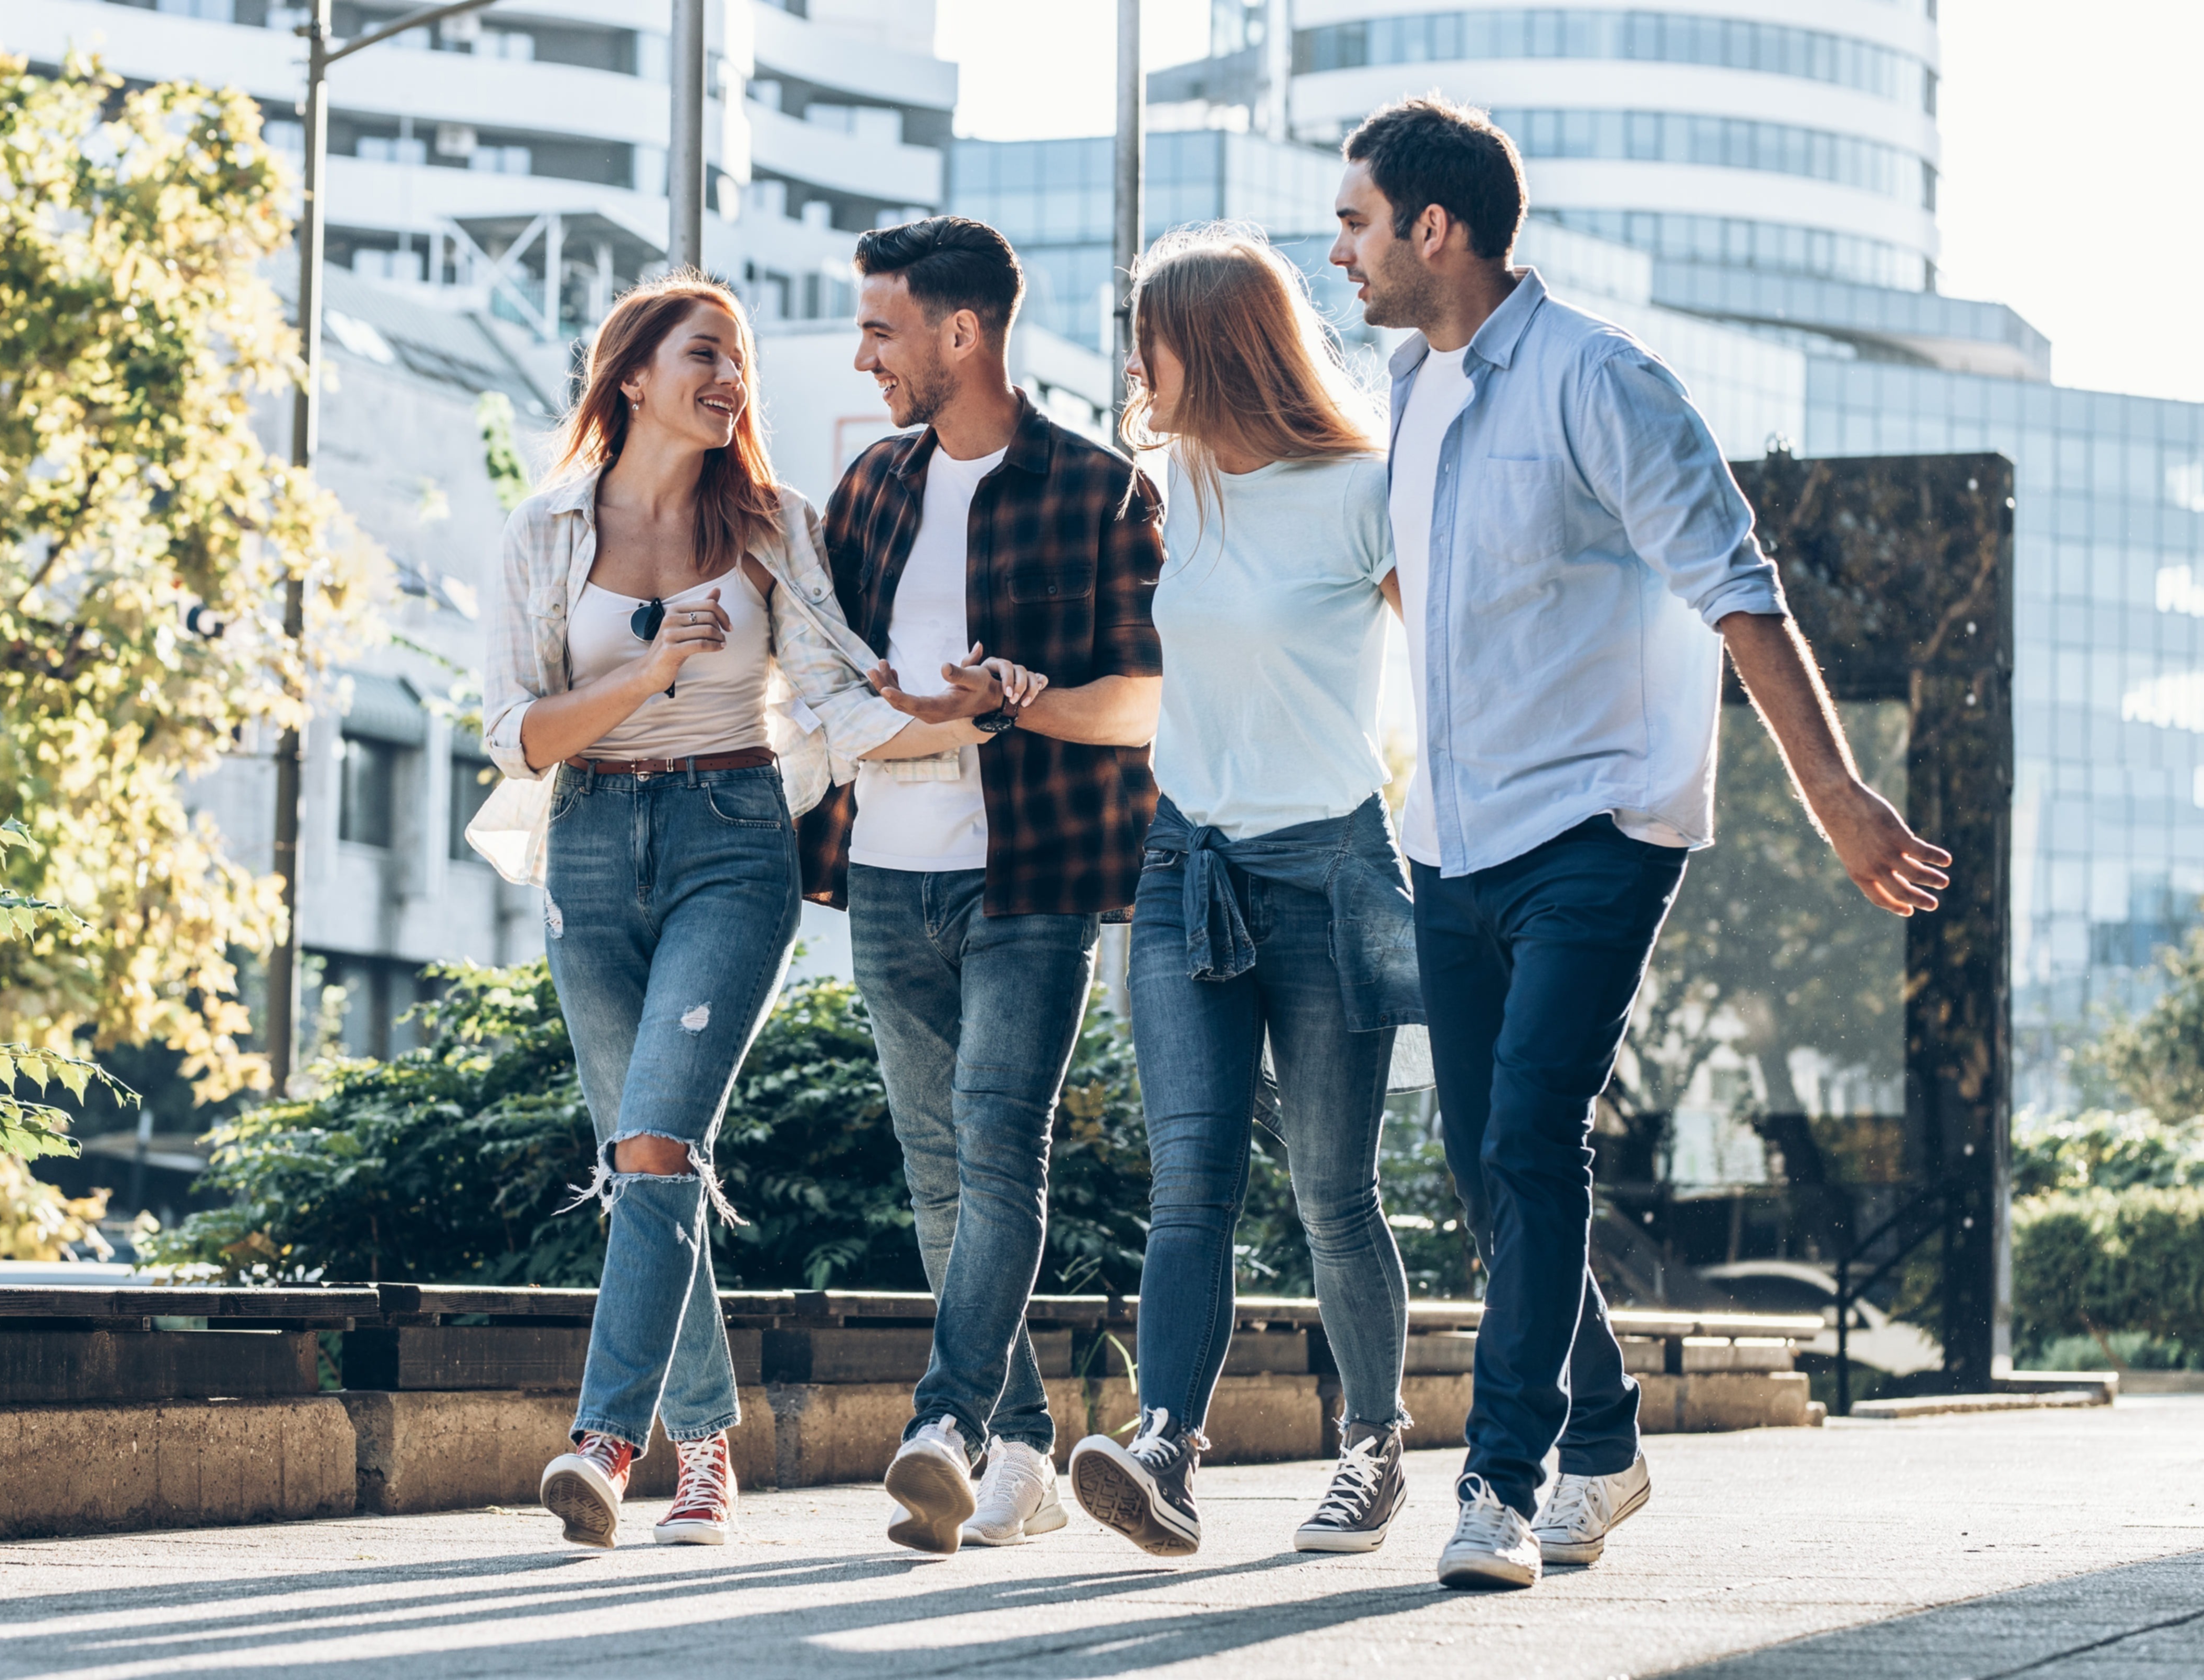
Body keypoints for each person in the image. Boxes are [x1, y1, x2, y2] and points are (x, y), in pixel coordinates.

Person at [1327, 97, 1951, 1591]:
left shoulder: (1606, 380)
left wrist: (1836, 795)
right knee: (1486, 1171)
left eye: (1354, 221)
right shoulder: (1408, 385)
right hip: (1454, 837)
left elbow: (1741, 591)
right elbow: (1436, 593)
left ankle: (1501, 1480)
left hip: (1599, 823)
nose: (1336, 251)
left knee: (1533, 1133)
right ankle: (1605, 1440)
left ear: (1436, 228)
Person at [477, 274, 977, 1550]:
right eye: (706, 353)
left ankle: (603, 1442)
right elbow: (516, 734)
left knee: (652, 1142)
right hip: (588, 844)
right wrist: (649, 668)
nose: (731, 378)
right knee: (651, 1158)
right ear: (631, 375)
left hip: (732, 840)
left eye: (742, 359)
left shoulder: (769, 524)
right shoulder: (544, 533)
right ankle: (708, 1453)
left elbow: (830, 685)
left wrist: (966, 721)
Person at [803, 215, 1166, 1555]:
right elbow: (823, 683)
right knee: (940, 1171)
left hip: (1036, 875)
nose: (865, 355)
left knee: (999, 1143)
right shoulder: (870, 489)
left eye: (882, 329)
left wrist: (1016, 707)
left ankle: (944, 1418)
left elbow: (1141, 701)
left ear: (963, 332)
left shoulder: (1101, 489)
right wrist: (904, 712)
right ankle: (1020, 1452)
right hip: (888, 875)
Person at [1063, 224, 1424, 1560]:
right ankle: (1165, 1446)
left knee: (1334, 1191)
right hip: (1185, 865)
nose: (1130, 362)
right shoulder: (1178, 480)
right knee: (1190, 1182)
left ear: (1207, 341)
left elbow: (1446, 669)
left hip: (1329, 870)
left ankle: (1373, 1448)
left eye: (1145, 333)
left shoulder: (1362, 489)